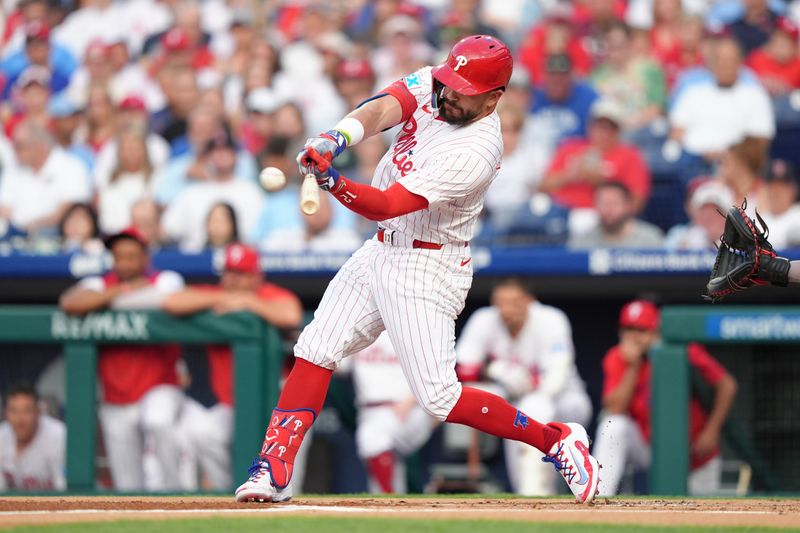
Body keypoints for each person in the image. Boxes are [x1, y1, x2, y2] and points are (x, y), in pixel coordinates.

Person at [234, 35, 600, 505]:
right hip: (381, 250)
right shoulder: (442, 82)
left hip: (427, 263)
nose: (448, 94)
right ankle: (273, 469)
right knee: (316, 347)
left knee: (440, 398)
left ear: (493, 99)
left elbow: (387, 205)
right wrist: (337, 137)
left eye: (463, 91)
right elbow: (387, 105)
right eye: (449, 82)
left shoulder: (477, 151)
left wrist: (334, 181)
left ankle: (557, 440)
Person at [162, 243, 302, 490]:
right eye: (229, 272)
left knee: (284, 475)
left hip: (273, 404)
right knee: (203, 433)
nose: (233, 280)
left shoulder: (268, 294)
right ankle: (229, 495)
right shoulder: (214, 293)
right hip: (226, 403)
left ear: (256, 276)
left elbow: (291, 315)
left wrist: (250, 302)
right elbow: (172, 302)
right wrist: (224, 297)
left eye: (241, 274)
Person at [58, 227, 186, 491]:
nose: (125, 263)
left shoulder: (166, 279)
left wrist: (111, 300)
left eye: (131, 256)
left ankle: (178, 493)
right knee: (127, 485)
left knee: (158, 420)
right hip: (116, 393)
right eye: (119, 257)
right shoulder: (100, 284)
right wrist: (118, 292)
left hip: (158, 384)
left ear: (145, 257)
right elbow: (70, 303)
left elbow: (170, 300)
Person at [456, 279, 592, 496]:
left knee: (532, 407)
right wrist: (491, 369)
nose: (507, 309)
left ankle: (537, 490)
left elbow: (556, 379)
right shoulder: (484, 319)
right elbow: (461, 368)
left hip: (566, 401)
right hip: (520, 401)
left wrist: (528, 382)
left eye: (515, 303)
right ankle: (529, 494)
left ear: (529, 301)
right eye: (502, 303)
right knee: (512, 413)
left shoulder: (551, 319)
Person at [594, 300, 738, 496]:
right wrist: (633, 367)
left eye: (641, 330)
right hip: (651, 449)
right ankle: (599, 496)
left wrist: (712, 430)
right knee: (613, 424)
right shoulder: (618, 358)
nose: (633, 337)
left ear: (656, 332)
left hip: (695, 453)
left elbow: (727, 385)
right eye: (628, 329)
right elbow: (615, 408)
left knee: (702, 518)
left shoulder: (683, 351)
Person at [340, 331, 437, 494]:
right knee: (382, 458)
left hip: (410, 408)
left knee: (372, 439)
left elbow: (434, 373)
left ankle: (388, 496)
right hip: (370, 413)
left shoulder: (411, 329)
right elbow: (338, 366)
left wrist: (413, 400)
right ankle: (392, 506)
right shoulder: (359, 330)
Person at [669, 37, 775, 160]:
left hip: (737, 162)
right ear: (712, 63)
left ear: (739, 62)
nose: (724, 64)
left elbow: (760, 140)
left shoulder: (755, 96)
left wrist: (726, 156)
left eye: (729, 59)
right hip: (692, 160)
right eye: (719, 59)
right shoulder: (693, 93)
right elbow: (677, 132)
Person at [540, 99, 651, 213]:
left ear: (618, 131)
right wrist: (569, 175)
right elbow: (542, 186)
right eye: (599, 126)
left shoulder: (629, 155)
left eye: (610, 127)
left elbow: (637, 201)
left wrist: (602, 182)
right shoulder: (570, 147)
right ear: (590, 126)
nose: (603, 133)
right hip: (561, 211)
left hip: (602, 217)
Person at [0, 120, 91, 236]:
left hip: (56, 237)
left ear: (39, 147)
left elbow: (70, 209)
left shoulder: (71, 167)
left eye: (20, 146)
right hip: (14, 237)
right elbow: (4, 208)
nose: (14, 151)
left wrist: (34, 227)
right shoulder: (13, 170)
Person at [0, 381, 66, 492]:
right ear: (6, 413)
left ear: (38, 411)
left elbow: (66, 491)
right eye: (14, 411)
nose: (20, 419)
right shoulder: (2, 436)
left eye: (27, 411)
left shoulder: (58, 436)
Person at [569, 181, 664, 249]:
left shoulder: (650, 239)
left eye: (614, 203)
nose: (609, 209)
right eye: (604, 203)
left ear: (627, 206)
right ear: (595, 206)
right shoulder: (582, 243)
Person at [664, 179, 734, 250]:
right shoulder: (680, 238)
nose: (710, 217)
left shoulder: (740, 242)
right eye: (704, 211)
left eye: (717, 211)